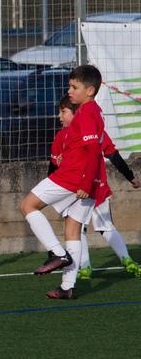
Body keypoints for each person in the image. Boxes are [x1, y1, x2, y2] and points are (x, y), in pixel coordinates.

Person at [19, 64, 106, 299]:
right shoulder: (94, 111)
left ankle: (57, 253)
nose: (69, 91)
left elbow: (91, 151)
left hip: (74, 177)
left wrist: (85, 183)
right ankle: (68, 287)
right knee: (73, 230)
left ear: (89, 91)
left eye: (74, 87)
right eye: (69, 86)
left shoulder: (86, 113)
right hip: (86, 179)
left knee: (27, 205)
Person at [48, 95, 141, 280]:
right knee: (98, 227)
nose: (59, 116)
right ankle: (117, 261)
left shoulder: (85, 131)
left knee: (82, 227)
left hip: (90, 188)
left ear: (77, 114)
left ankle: (90, 267)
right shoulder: (61, 137)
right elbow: (54, 166)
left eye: (63, 112)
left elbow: (113, 155)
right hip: (82, 189)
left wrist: (130, 176)